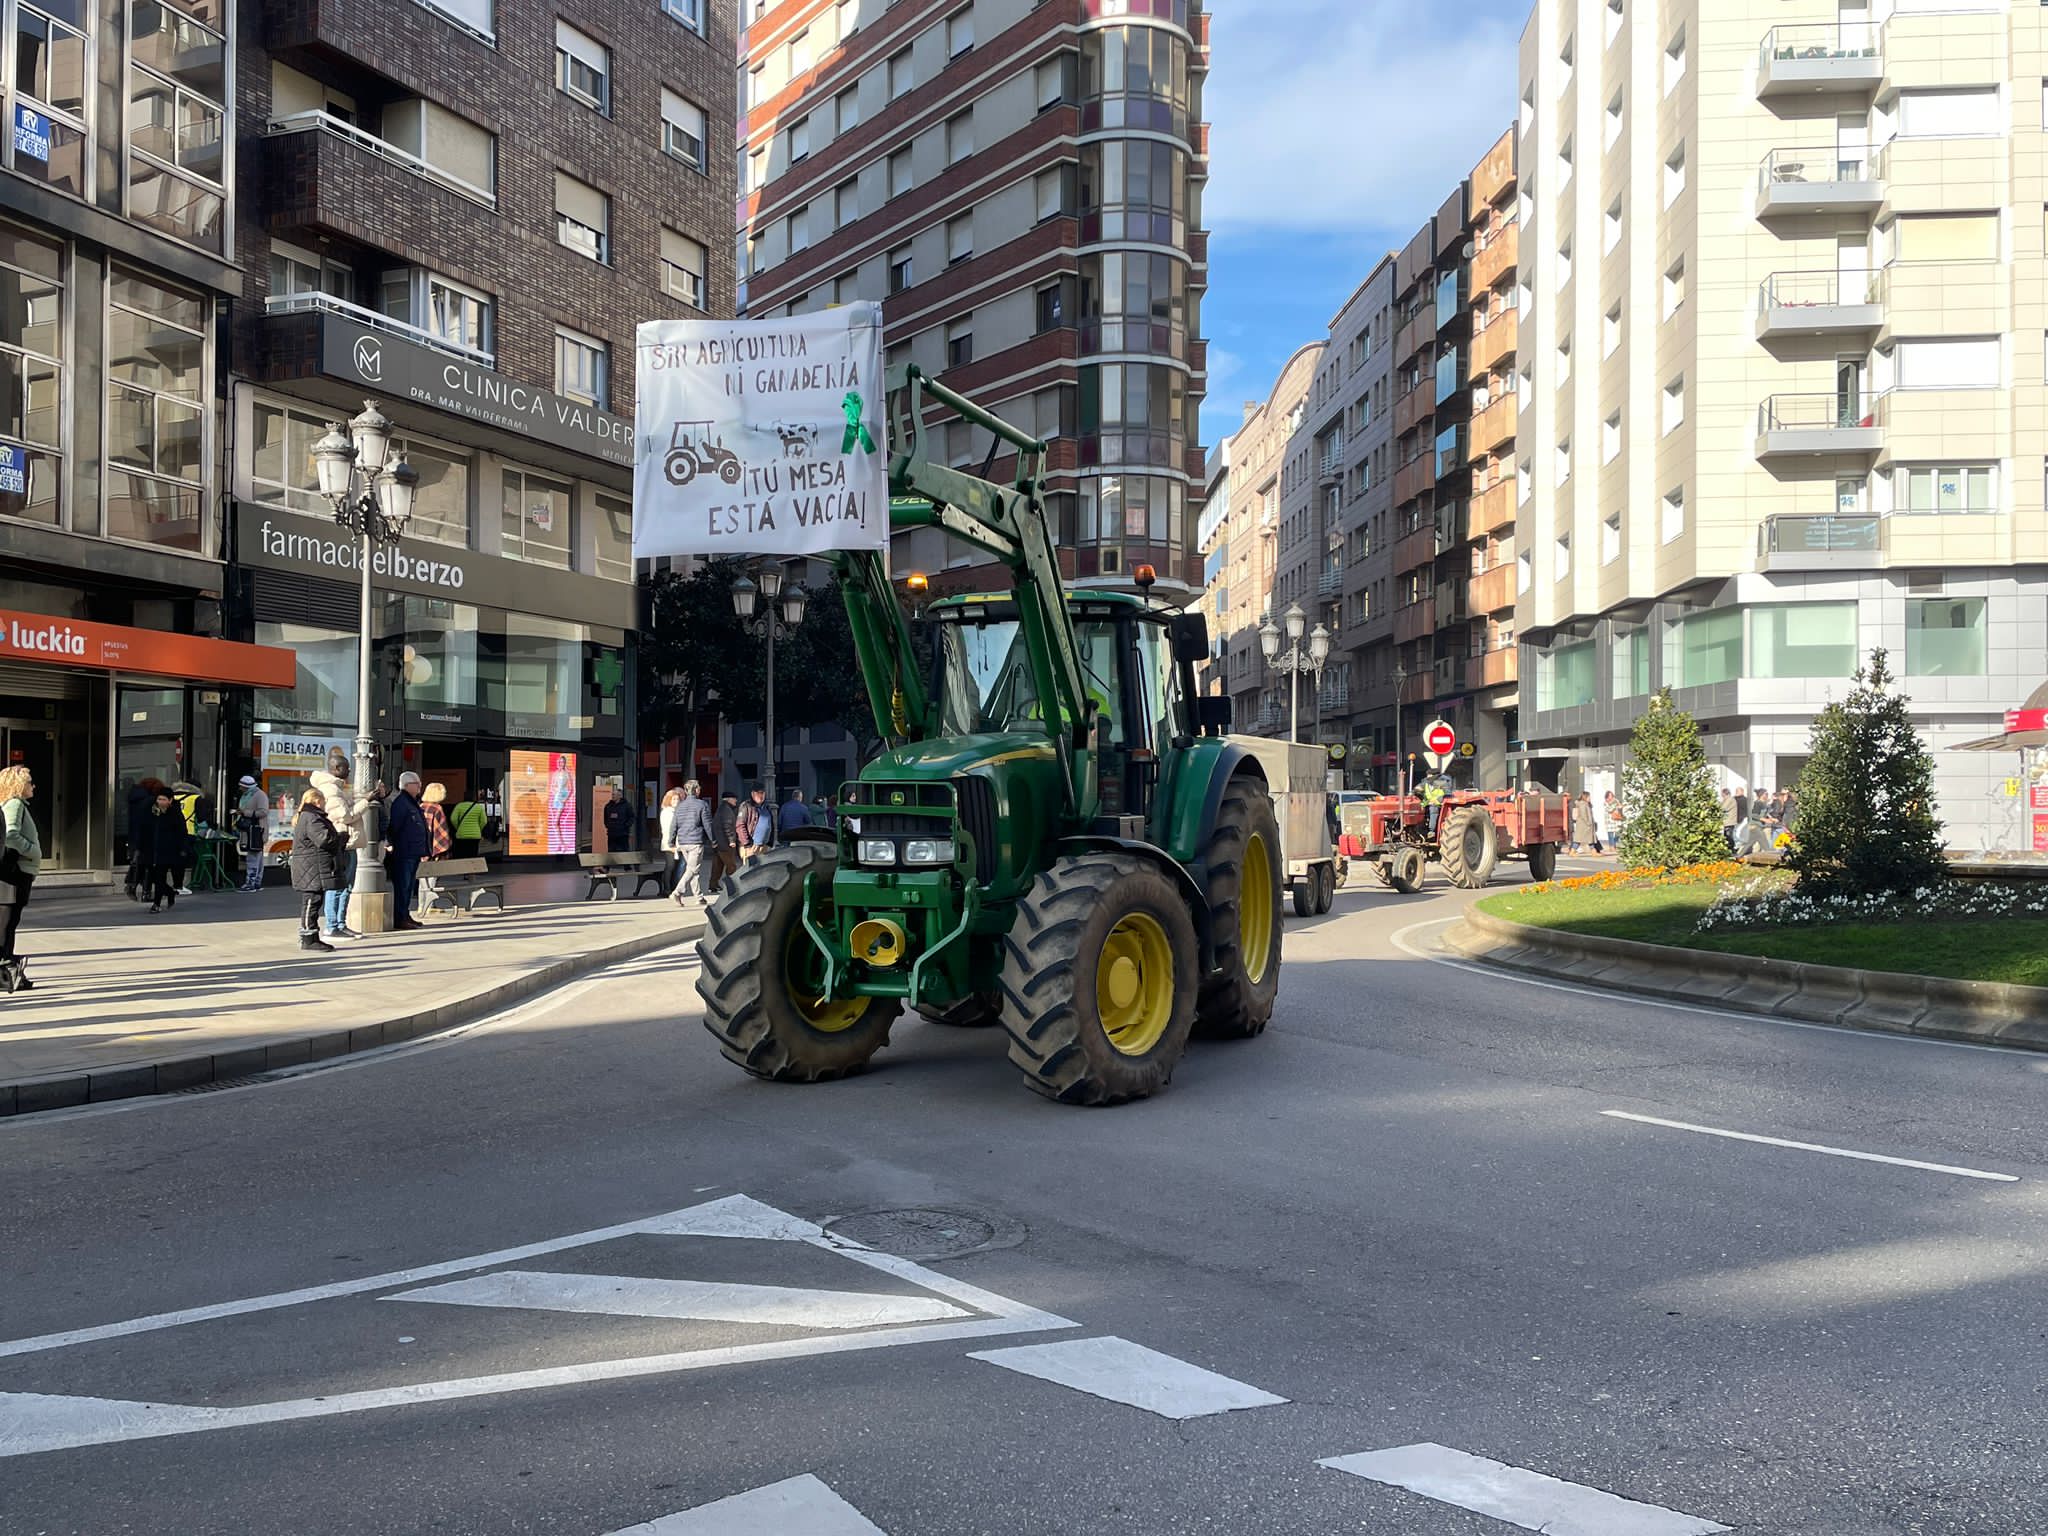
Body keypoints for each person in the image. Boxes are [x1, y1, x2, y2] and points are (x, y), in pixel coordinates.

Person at [308, 769, 365, 942]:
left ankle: (340, 924)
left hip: (346, 842)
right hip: (341, 843)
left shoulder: (338, 789)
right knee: (337, 885)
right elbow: (345, 816)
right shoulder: (331, 790)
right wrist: (366, 802)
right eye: (347, 768)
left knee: (345, 886)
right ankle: (332, 926)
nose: (349, 772)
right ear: (339, 770)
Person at [290, 786, 348, 953]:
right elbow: (324, 839)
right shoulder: (312, 817)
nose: (324, 804)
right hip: (312, 867)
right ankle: (308, 937)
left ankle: (311, 936)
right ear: (317, 801)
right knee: (311, 901)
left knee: (314, 900)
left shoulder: (308, 816)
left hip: (312, 866)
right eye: (323, 801)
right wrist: (341, 837)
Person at [0, 765, 42, 993]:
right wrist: (32, 850)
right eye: (29, 782)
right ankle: (6, 970)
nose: (33, 786)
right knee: (8, 921)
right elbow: (11, 834)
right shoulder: (15, 804)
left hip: (18, 870)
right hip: (17, 871)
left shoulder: (13, 804)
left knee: (8, 922)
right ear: (18, 785)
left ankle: (8, 971)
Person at [386, 772, 429, 931]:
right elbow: (395, 827)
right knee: (403, 886)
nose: (420, 786)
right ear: (407, 785)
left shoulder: (411, 802)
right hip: (405, 851)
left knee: (409, 886)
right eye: (416, 783)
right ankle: (400, 917)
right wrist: (392, 843)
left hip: (413, 851)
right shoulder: (402, 803)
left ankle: (405, 914)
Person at [139, 788, 191, 913]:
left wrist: (183, 849)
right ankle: (170, 892)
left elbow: (182, 833)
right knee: (152, 877)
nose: (160, 802)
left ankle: (156, 904)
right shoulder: (152, 811)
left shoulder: (175, 814)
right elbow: (144, 829)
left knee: (160, 877)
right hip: (151, 850)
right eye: (159, 799)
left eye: (163, 799)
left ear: (170, 800)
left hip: (168, 850)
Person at [669, 780, 713, 904]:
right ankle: (677, 892)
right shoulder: (702, 805)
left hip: (683, 841)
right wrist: (713, 840)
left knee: (694, 869)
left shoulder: (680, 806)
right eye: (699, 788)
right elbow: (708, 824)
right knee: (692, 869)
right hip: (695, 841)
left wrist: (671, 841)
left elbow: (674, 825)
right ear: (696, 790)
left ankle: (699, 897)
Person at [124, 776, 164, 900]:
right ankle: (145, 892)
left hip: (135, 836)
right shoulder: (150, 801)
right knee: (149, 865)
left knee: (139, 863)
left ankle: (132, 886)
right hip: (148, 836)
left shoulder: (134, 799)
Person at [235, 775, 270, 891]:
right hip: (249, 830)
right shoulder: (247, 795)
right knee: (256, 856)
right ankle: (256, 882)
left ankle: (251, 882)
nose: (240, 789)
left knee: (253, 857)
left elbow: (263, 812)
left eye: (242, 787)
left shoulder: (259, 795)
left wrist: (245, 812)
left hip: (256, 830)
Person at [711, 790, 742, 891]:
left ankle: (713, 886)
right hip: (725, 843)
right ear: (729, 799)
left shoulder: (721, 808)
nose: (736, 801)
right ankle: (731, 886)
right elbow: (727, 825)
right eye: (734, 799)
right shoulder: (727, 810)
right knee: (731, 866)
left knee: (718, 865)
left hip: (719, 842)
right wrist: (731, 840)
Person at [738, 783, 777, 861]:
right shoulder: (746, 806)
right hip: (751, 847)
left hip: (764, 846)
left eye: (763, 793)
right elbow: (740, 826)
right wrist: (747, 844)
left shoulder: (767, 807)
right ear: (753, 794)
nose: (761, 796)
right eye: (758, 793)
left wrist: (770, 842)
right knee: (751, 871)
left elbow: (772, 826)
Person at [448, 790, 489, 859]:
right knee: (473, 855)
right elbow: (484, 821)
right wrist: (479, 829)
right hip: (475, 835)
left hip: (461, 835)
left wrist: (458, 828)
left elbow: (453, 819)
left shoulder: (459, 806)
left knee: (462, 855)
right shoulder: (479, 807)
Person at [421, 783, 454, 863]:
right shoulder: (437, 808)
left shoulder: (420, 806)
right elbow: (441, 831)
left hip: (421, 846)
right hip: (432, 848)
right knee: (432, 873)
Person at [602, 782, 635, 852]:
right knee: (611, 851)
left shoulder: (627, 806)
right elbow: (605, 817)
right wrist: (608, 825)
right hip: (612, 833)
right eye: (612, 794)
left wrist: (626, 826)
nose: (612, 796)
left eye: (614, 794)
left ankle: (624, 863)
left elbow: (632, 817)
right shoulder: (608, 806)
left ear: (619, 796)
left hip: (622, 834)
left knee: (623, 851)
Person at [1569, 793, 1595, 857]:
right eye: (1589, 797)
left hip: (1585, 825)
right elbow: (1584, 815)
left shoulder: (1585, 804)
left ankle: (1593, 852)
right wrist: (1588, 822)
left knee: (1589, 839)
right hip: (1584, 825)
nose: (1590, 798)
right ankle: (1572, 851)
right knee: (1579, 839)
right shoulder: (1583, 804)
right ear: (1585, 797)